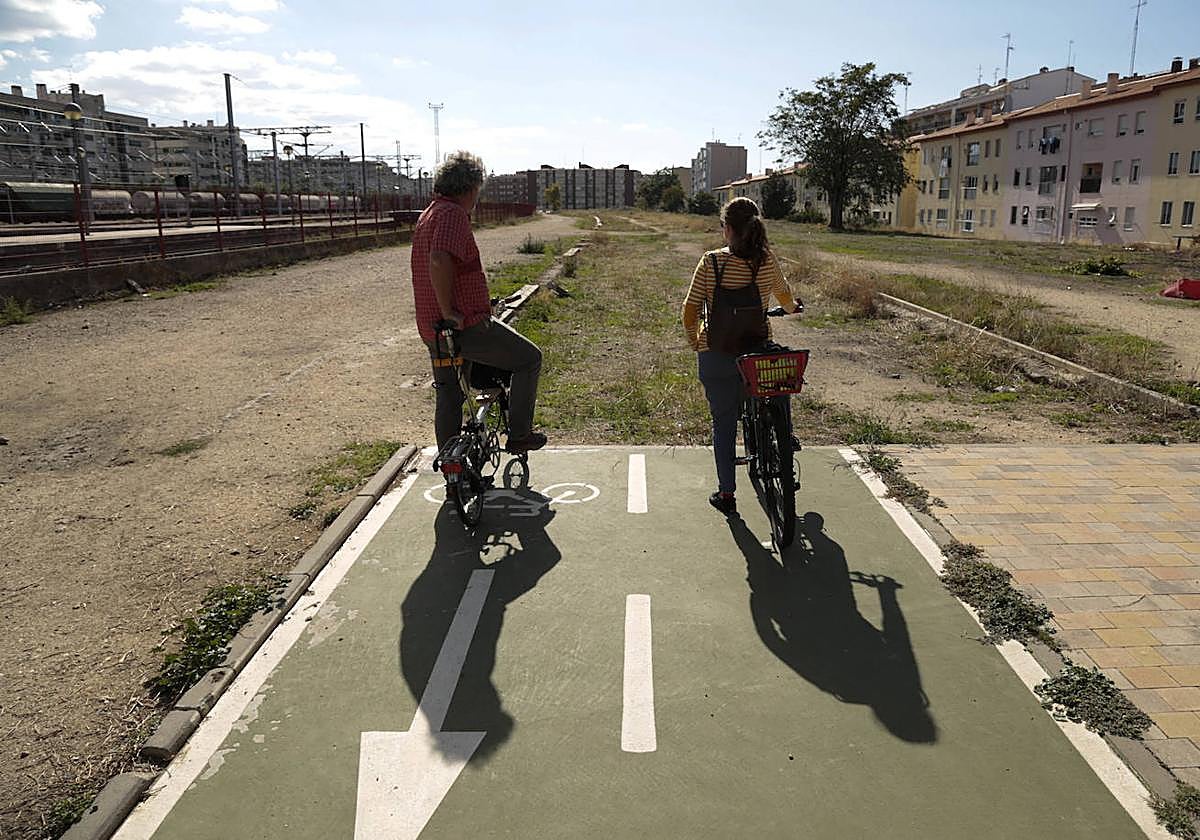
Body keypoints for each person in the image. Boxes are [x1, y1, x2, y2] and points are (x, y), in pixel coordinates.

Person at [411, 150, 547, 454]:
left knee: (449, 394)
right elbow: (439, 259)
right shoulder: (452, 215)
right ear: (469, 187)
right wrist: (451, 312)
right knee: (529, 360)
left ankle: (452, 470)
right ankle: (520, 434)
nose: (477, 199)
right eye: (477, 191)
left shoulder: (429, 213)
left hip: (434, 330)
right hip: (465, 326)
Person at [681, 196, 801, 516]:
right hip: (757, 352)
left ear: (728, 229)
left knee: (723, 425)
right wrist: (792, 309)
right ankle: (784, 435)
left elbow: (690, 309)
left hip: (717, 353)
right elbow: (786, 297)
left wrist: (696, 341)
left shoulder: (712, 262)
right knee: (777, 385)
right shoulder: (766, 260)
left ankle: (727, 494)